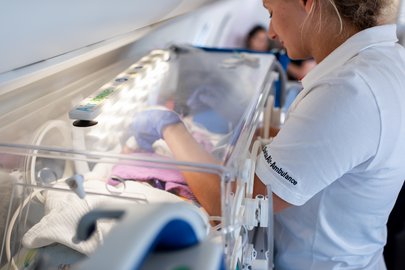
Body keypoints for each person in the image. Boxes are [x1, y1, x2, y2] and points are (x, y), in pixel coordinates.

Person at [128, 0, 405, 269]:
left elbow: (232, 207)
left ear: (307, 2)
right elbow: (321, 149)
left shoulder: (349, 91)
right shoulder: (385, 61)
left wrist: (169, 126)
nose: (271, 31)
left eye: (271, 11)